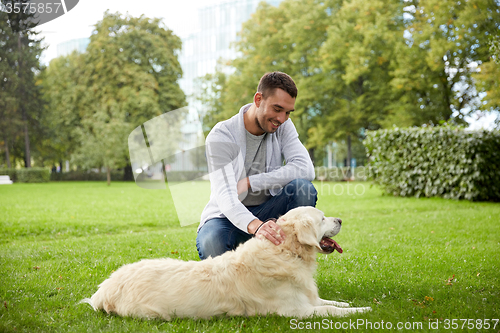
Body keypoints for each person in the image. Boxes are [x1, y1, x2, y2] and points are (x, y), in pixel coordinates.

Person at [196, 71, 317, 260]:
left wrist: (252, 181)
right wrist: (256, 225)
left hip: (270, 210)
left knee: (303, 189)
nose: (282, 118)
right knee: (211, 241)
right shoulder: (222, 136)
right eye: (277, 109)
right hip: (227, 217)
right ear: (258, 99)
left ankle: (292, 268)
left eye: (287, 112)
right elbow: (226, 196)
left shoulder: (284, 126)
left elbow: (305, 168)